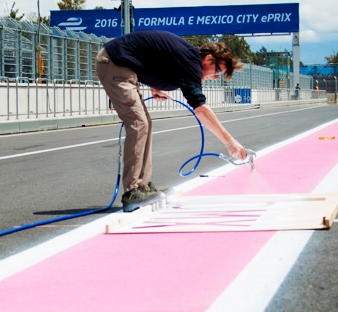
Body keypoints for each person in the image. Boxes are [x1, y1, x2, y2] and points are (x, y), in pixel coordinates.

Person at [96, 30, 248, 211]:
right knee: (138, 123)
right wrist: (230, 142)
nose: (215, 77)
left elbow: (151, 56)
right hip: (115, 63)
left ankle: (141, 187)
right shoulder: (192, 63)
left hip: (122, 65)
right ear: (208, 59)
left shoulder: (187, 57)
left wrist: (153, 85)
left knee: (145, 123)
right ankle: (132, 191)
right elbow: (200, 109)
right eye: (218, 72)